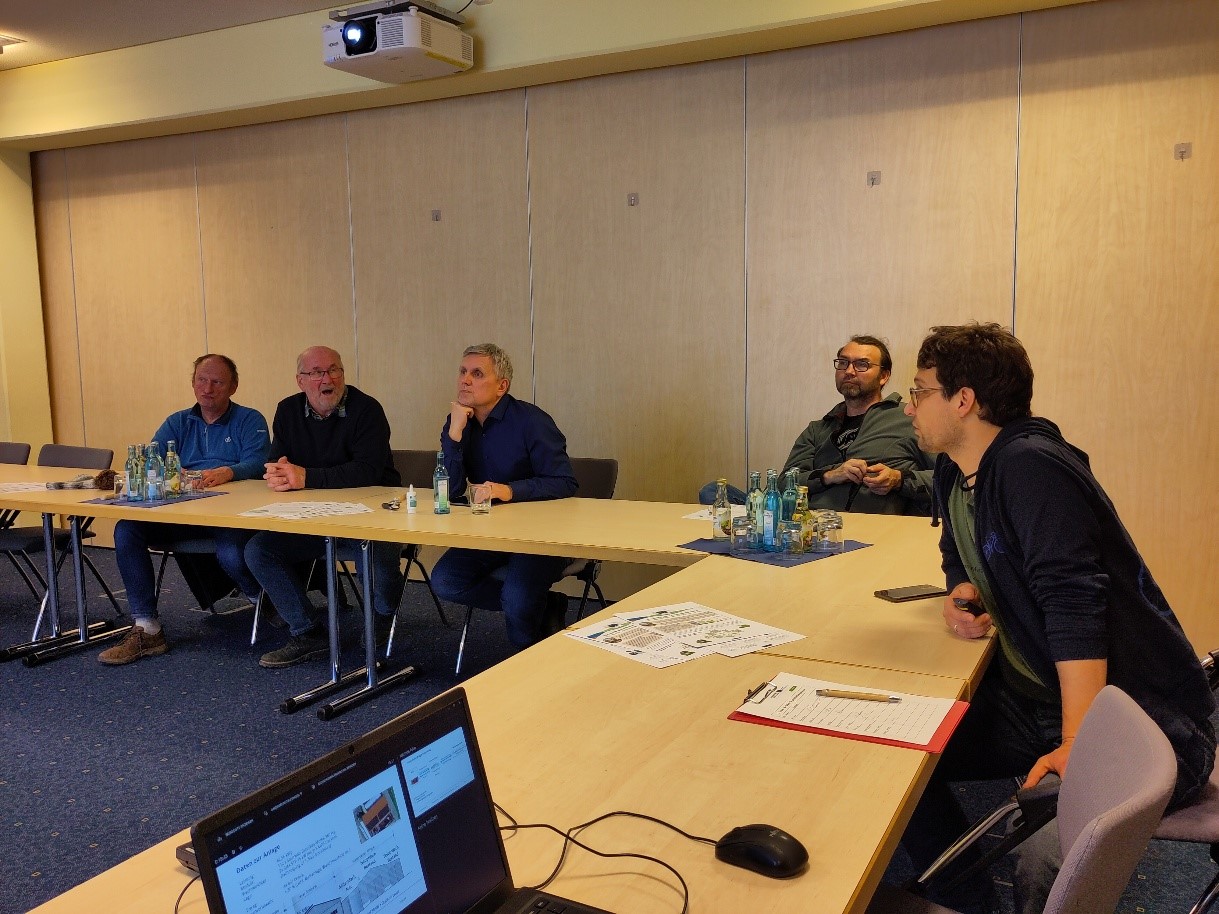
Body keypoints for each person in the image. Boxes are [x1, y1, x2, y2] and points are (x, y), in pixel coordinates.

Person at [898, 323, 1215, 914]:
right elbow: (957, 555)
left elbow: (1076, 608)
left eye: (919, 391)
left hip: (1140, 721)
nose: (909, 406)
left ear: (962, 400)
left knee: (1048, 865)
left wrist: (1078, 742)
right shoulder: (954, 471)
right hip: (1036, 700)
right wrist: (962, 592)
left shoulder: (1030, 466)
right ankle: (964, 901)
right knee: (903, 759)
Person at [99, 354, 270, 665]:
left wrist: (229, 472)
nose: (208, 388)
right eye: (201, 381)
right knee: (127, 529)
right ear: (193, 384)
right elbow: (155, 457)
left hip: (230, 511)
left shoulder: (250, 419)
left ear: (233, 386)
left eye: (217, 382)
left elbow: (259, 461)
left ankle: (261, 598)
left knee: (232, 552)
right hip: (183, 509)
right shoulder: (178, 421)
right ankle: (147, 628)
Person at [244, 346, 405, 669]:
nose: (327, 379)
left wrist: (305, 476)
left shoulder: (367, 409)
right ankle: (307, 631)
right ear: (300, 381)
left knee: (380, 555)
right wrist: (278, 474)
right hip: (313, 518)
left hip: (371, 516)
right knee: (258, 550)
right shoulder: (288, 411)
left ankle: (382, 617)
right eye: (316, 373)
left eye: (334, 370)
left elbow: (367, 471)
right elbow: (278, 461)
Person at [429, 343, 578, 649]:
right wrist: (455, 434)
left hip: (539, 536)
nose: (465, 380)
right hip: (491, 534)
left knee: (518, 596)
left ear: (502, 386)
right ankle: (544, 604)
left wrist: (509, 491)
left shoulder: (531, 421)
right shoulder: (458, 422)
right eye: (462, 372)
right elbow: (454, 490)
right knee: (445, 580)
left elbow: (564, 482)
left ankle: (525, 666)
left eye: (477, 373)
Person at [700, 335, 932, 514]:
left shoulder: (907, 418)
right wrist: (830, 475)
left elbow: (949, 479)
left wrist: (898, 479)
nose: (849, 371)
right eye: (843, 363)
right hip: (805, 524)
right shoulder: (818, 428)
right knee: (713, 491)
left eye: (862, 364)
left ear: (884, 376)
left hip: (868, 525)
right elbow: (783, 484)